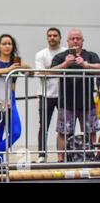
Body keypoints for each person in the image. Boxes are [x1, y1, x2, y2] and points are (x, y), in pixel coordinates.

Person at [51, 28, 100, 162]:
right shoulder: (61, 56)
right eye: (72, 38)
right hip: (66, 102)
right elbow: (50, 72)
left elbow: (99, 67)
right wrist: (65, 64)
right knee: (62, 132)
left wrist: (86, 65)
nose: (75, 41)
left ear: (83, 41)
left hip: (87, 102)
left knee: (90, 131)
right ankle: (61, 159)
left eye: (78, 38)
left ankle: (92, 156)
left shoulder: (90, 55)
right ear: (67, 41)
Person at [0, 34, 30, 162]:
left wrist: (25, 67)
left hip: (11, 98)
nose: (7, 46)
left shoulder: (16, 60)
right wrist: (8, 69)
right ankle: (0, 160)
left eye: (9, 44)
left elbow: (30, 70)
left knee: (16, 131)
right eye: (4, 44)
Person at [35, 28, 66, 163]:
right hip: (45, 95)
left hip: (64, 94)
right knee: (43, 126)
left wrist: (50, 71)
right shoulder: (41, 54)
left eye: (55, 35)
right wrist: (60, 69)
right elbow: (40, 73)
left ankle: (66, 154)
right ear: (47, 38)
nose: (52, 38)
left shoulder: (66, 52)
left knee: (66, 126)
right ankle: (42, 155)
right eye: (50, 35)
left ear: (60, 37)